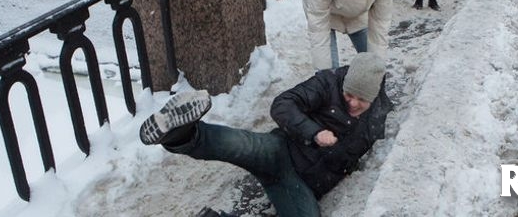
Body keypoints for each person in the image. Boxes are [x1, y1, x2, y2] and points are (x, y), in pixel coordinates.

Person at [139, 53, 392, 217]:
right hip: (280, 151)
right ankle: (179, 133)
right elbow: (282, 105)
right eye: (349, 94)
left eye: (362, 99)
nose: (354, 103)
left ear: (373, 96)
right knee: (238, 145)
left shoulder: (377, 118)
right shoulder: (327, 84)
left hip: (301, 185)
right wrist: (314, 132)